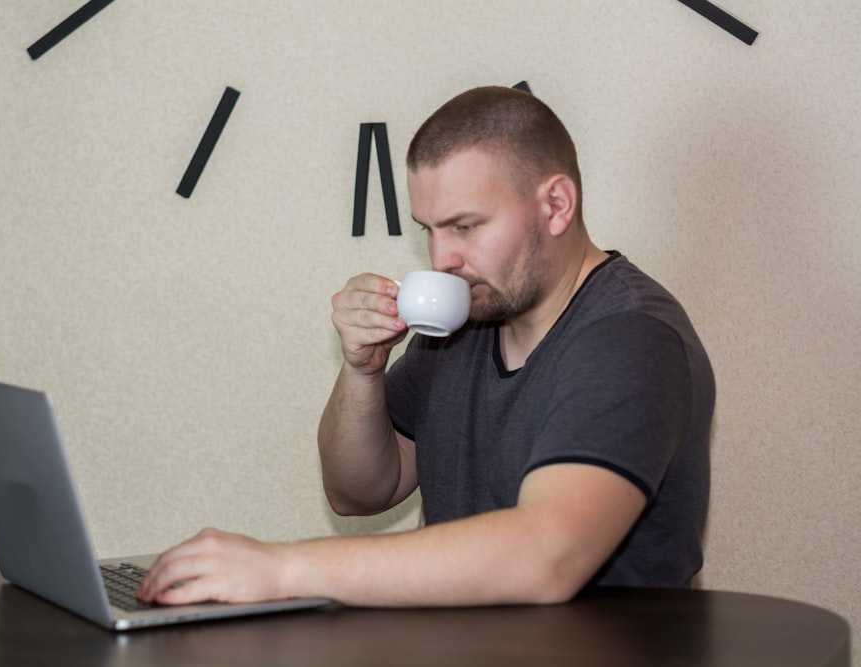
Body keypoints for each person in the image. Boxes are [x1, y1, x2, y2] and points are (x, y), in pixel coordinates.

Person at [137, 86, 715, 607]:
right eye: (429, 230)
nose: (442, 261)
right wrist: (362, 370)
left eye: (465, 226)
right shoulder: (468, 322)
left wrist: (283, 567)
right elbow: (359, 491)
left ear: (556, 205)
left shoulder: (629, 338)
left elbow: (547, 558)